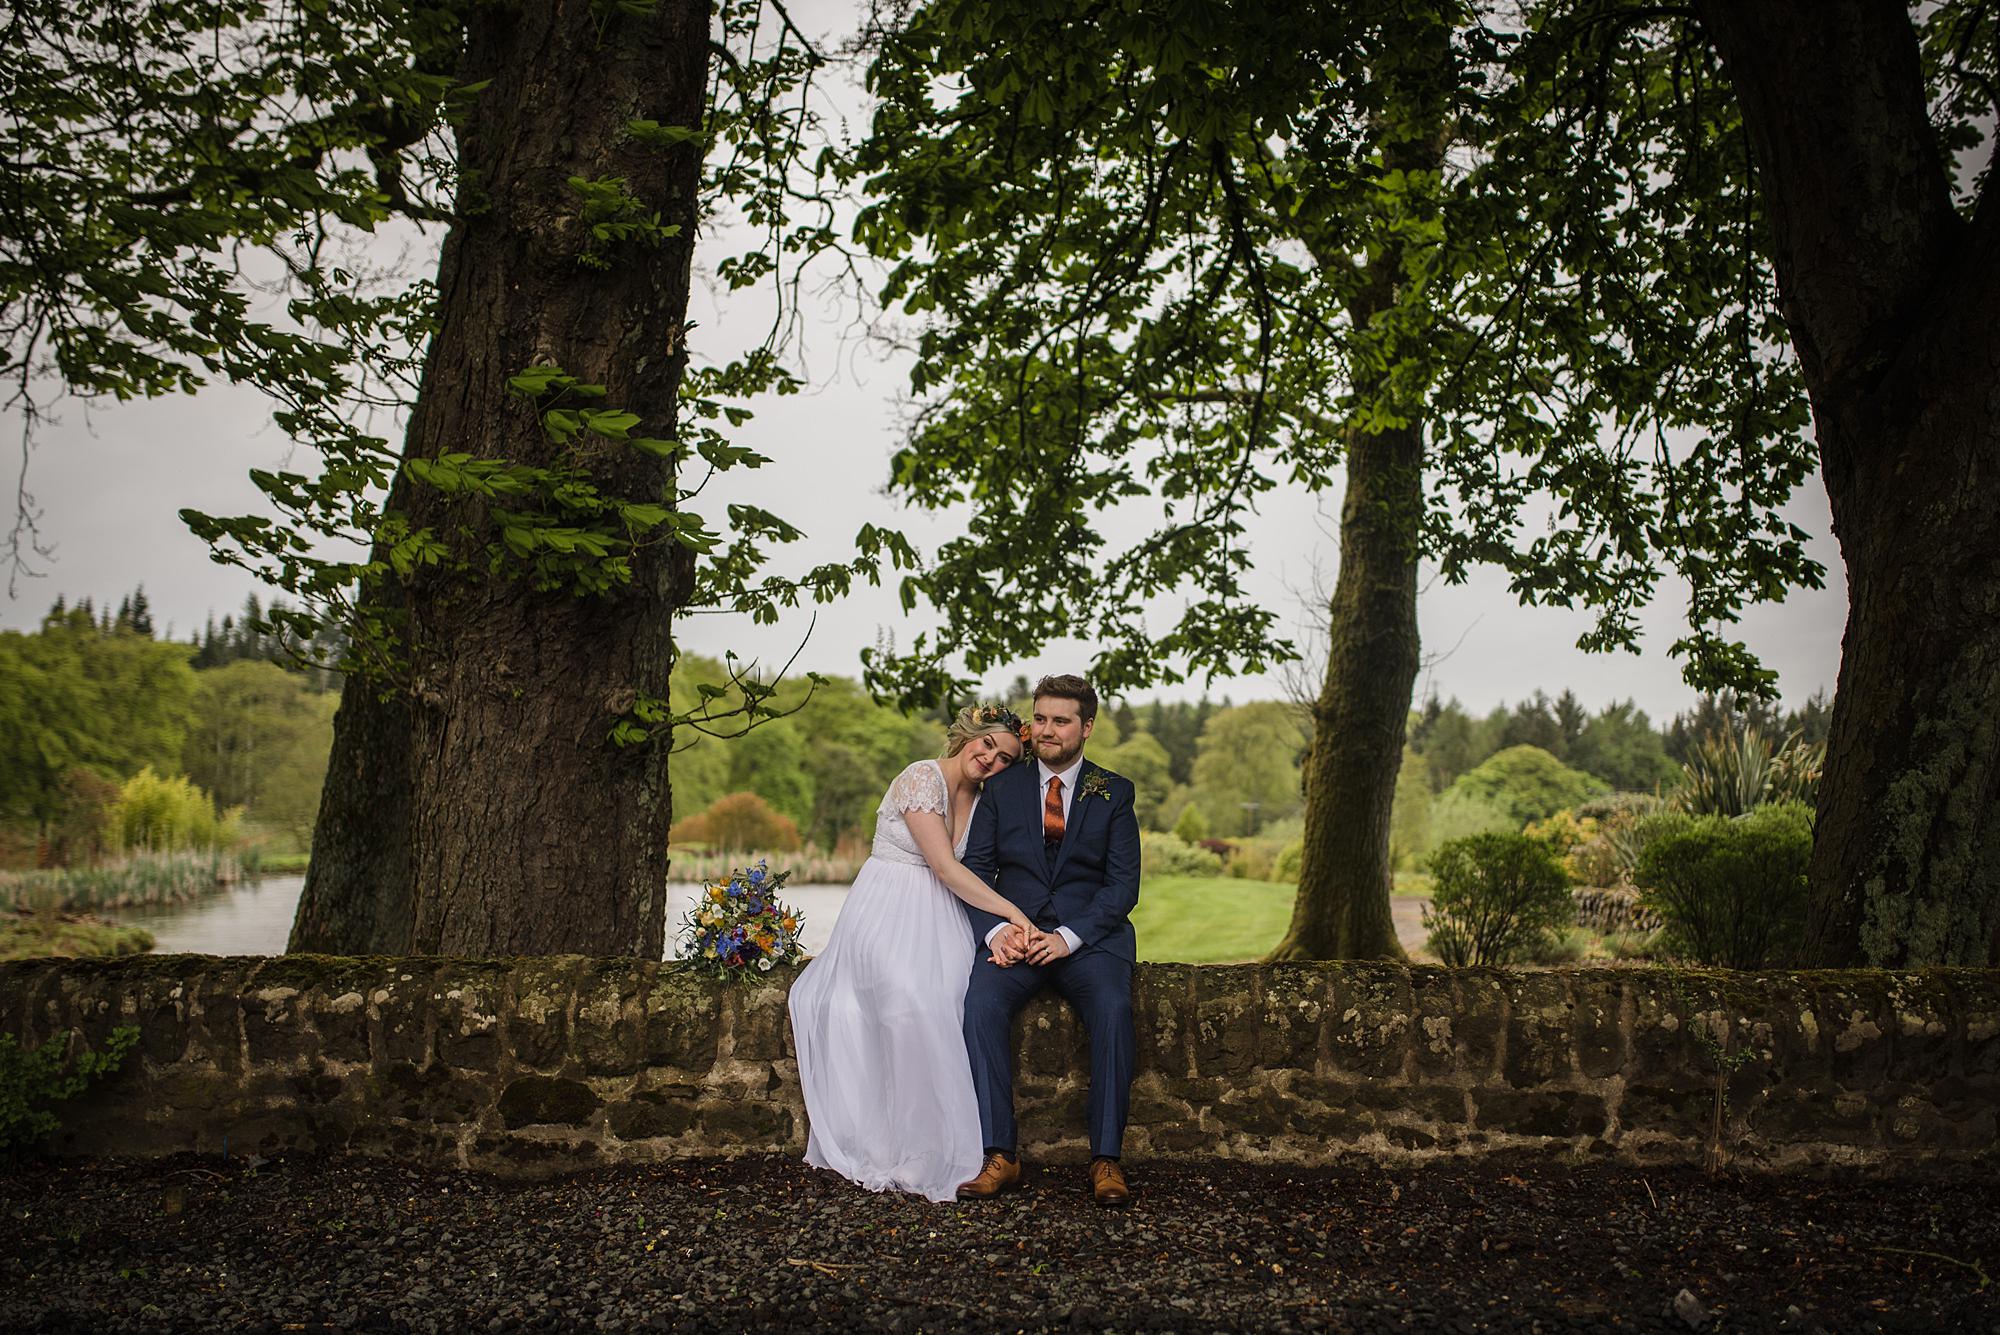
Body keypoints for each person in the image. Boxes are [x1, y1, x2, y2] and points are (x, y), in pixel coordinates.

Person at [787, 705, 1032, 1202]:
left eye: (1005, 758)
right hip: (887, 910)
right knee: (908, 1001)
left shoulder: (983, 800)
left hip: (942, 915)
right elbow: (945, 867)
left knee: (952, 999)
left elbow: (974, 870)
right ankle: (894, 1142)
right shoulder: (921, 778)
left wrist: (1001, 931)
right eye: (988, 744)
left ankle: (938, 1143)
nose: (990, 759)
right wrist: (1013, 913)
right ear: (970, 735)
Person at [955, 675, 1142, 1207]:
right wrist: (997, 931)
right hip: (1016, 938)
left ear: (1087, 728)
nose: (1047, 730)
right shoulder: (1001, 788)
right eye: (1040, 719)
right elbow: (976, 869)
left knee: (1113, 1008)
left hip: (1089, 942)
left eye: (1061, 721)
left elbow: (1123, 886)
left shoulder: (1114, 791)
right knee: (980, 1006)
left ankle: (1106, 1159)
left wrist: (1068, 938)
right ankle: (1000, 1154)